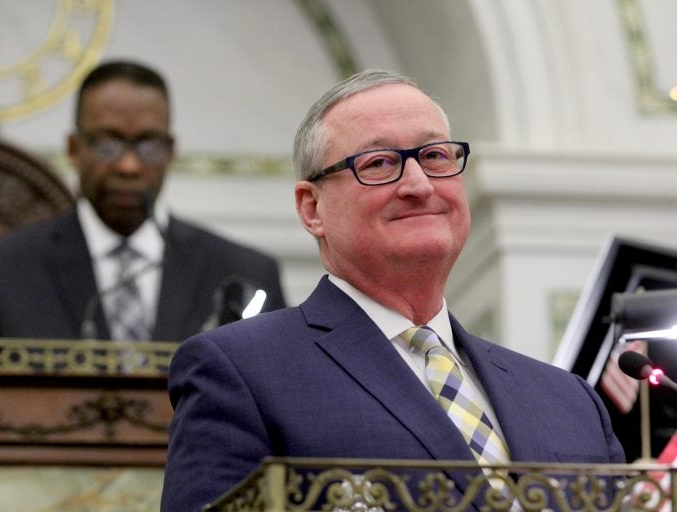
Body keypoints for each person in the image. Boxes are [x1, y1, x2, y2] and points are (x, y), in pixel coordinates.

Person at [160, 69, 625, 511]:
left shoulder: (569, 400)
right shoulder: (241, 371)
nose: (419, 184)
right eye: (380, 163)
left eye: (436, 156)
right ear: (312, 207)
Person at [0, 60, 285, 341]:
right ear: (74, 149)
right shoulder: (1, 270)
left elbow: (278, 401)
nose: (129, 165)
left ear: (171, 152)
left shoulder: (244, 274)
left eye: (149, 145)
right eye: (108, 144)